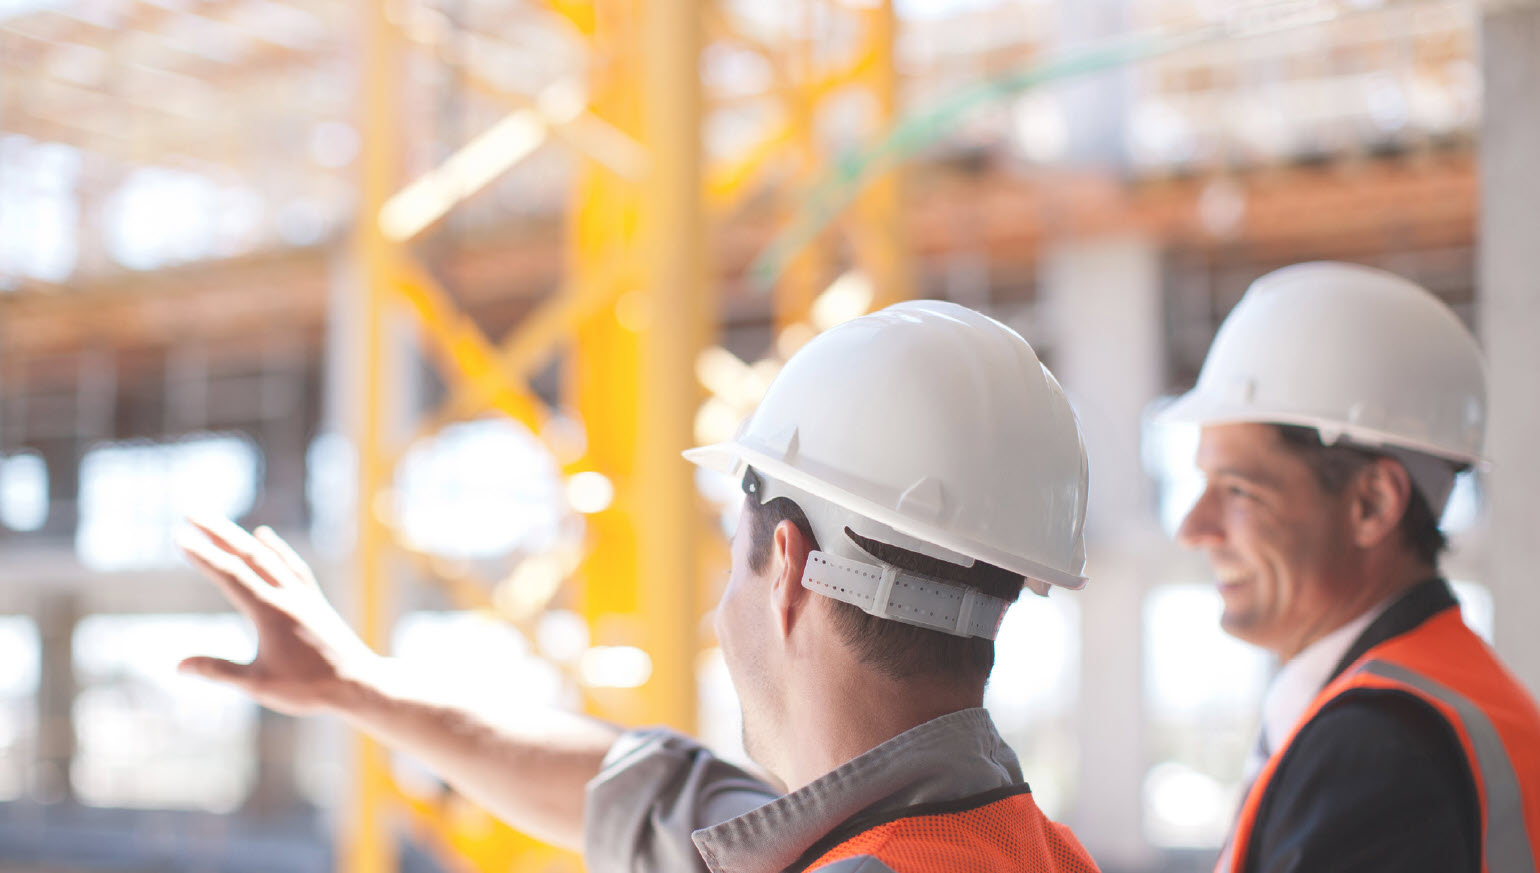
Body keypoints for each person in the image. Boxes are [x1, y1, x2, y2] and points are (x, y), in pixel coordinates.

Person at [178, 300, 1102, 873]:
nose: (720, 610)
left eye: (731, 560)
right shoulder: (1019, 846)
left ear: (786, 567)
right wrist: (356, 683)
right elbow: (639, 791)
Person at [1157, 261, 1540, 873]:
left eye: (1238, 490)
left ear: (1373, 504)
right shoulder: (1449, 699)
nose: (1192, 528)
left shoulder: (1380, 745)